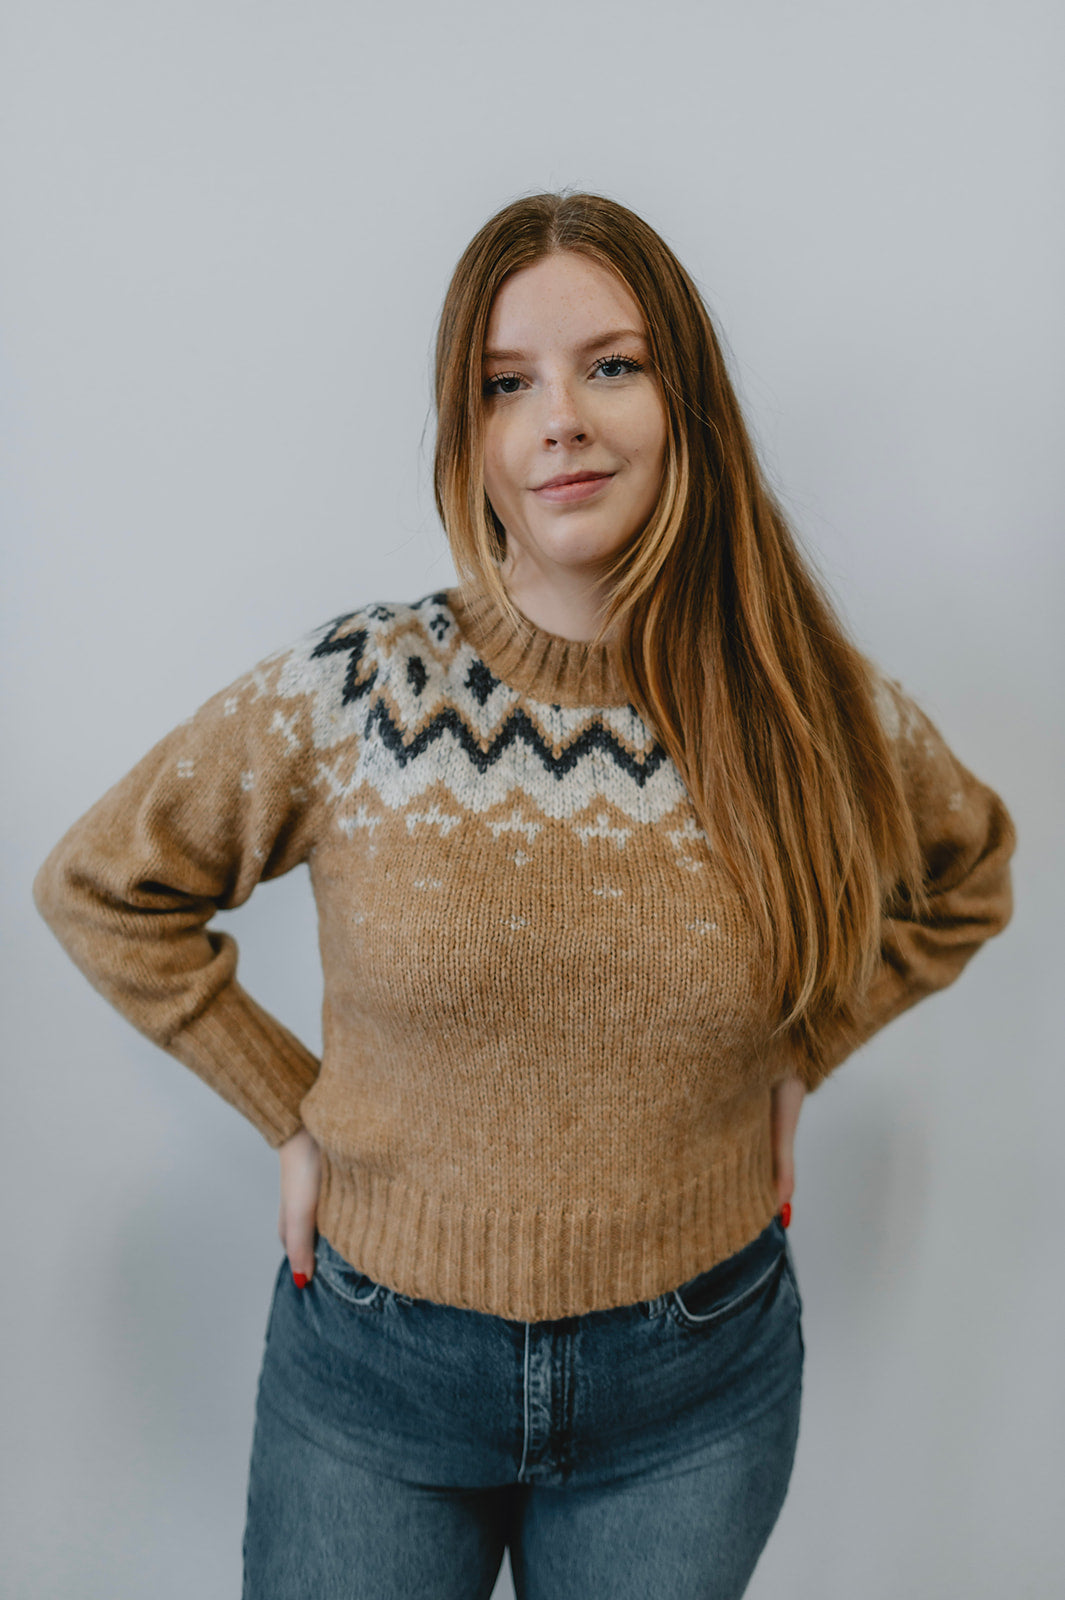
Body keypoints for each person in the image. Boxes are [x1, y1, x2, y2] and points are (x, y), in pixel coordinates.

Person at [32, 190, 1017, 1600]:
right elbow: (104, 886)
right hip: (375, 1373)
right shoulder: (360, 690)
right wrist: (290, 1113)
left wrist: (801, 1052)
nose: (560, 420)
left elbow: (965, 869)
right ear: (470, 434)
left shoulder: (798, 701)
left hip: (692, 1389)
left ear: (684, 401)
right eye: (507, 385)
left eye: (610, 365)